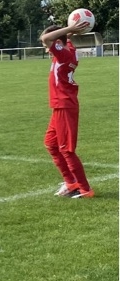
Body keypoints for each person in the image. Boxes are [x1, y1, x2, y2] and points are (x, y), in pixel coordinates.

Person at [39, 22, 94, 198]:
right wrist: (70, 31)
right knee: (51, 144)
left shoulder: (62, 54)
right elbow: (60, 39)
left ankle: (85, 189)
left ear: (57, 43)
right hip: (60, 106)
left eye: (48, 47)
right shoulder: (68, 48)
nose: (47, 49)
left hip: (64, 105)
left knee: (66, 150)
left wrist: (69, 29)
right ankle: (71, 183)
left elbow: (46, 38)